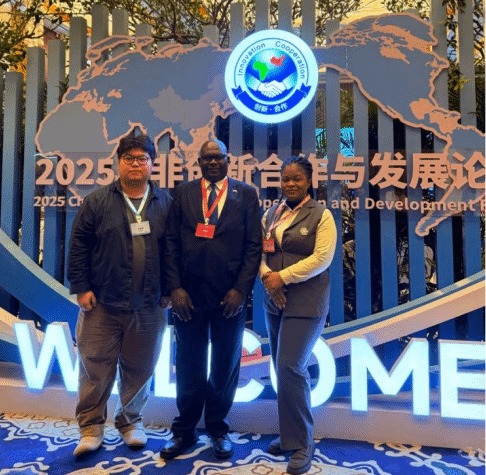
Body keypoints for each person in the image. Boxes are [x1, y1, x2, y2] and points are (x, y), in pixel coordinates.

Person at [67, 133, 172, 457]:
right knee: (95, 368)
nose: (136, 164)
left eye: (142, 158)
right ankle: (91, 428)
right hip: (102, 303)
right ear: (118, 163)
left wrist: (171, 289)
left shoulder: (166, 203)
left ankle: (130, 421)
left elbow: (174, 251)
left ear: (152, 164)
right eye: (129, 158)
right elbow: (78, 247)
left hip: (149, 304)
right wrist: (81, 287)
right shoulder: (97, 202)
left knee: (140, 368)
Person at [160, 139, 262, 460]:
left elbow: (253, 246)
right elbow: (171, 242)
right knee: (188, 364)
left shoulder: (246, 194)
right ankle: (185, 431)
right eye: (207, 158)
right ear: (199, 162)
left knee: (224, 364)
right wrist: (175, 288)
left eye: (219, 157)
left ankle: (218, 429)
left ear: (228, 160)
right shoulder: (183, 193)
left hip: (229, 297)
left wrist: (240, 290)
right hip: (188, 296)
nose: (213, 162)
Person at [260, 156, 337, 475]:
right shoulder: (271, 214)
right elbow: (260, 253)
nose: (290, 184)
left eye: (297, 179)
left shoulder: (322, 215)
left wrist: (283, 277)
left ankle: (303, 443)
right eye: (286, 179)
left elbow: (323, 258)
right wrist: (268, 279)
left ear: (309, 181)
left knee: (291, 367)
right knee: (282, 371)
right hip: (275, 302)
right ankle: (289, 436)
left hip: (306, 303)